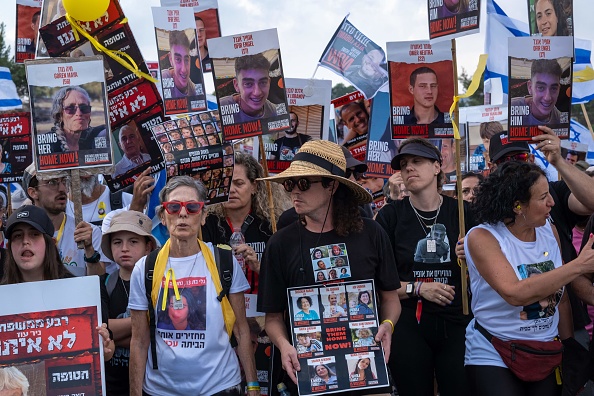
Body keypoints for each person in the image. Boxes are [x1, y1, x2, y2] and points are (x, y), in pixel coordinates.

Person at [258, 140, 401, 391]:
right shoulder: (280, 243)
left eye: (303, 183)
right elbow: (272, 317)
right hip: (308, 375)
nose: (294, 192)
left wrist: (387, 326)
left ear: (332, 185)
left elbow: (390, 298)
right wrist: (284, 345)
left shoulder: (372, 233)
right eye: (290, 184)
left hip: (366, 370)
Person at [463, 160, 594, 395]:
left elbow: (560, 297)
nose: (552, 202)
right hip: (495, 349)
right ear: (518, 206)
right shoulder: (483, 237)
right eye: (543, 197)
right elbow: (515, 292)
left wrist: (567, 345)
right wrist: (578, 266)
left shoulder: (548, 230)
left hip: (544, 351)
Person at [128, 176, 258, 395]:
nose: (183, 214)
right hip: (161, 389)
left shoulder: (224, 262)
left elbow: (241, 330)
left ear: (204, 215)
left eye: (192, 207)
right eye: (173, 207)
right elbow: (139, 341)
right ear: (162, 215)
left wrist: (253, 385)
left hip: (220, 386)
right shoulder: (144, 268)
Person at [487, 128, 594, 379]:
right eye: (505, 163)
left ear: (533, 160)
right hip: (506, 337)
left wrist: (557, 160)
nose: (514, 169)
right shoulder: (484, 212)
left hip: (563, 320)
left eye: (521, 160)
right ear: (493, 170)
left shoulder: (553, 193)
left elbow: (591, 201)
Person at [375, 137, 475, 396]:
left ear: (437, 167)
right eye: (404, 164)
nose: (409, 168)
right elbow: (377, 282)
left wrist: (475, 254)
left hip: (457, 320)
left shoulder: (463, 212)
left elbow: (492, 270)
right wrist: (418, 288)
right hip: (408, 321)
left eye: (417, 161)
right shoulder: (390, 216)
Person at [0, 205, 115, 361]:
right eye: (17, 236)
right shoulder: (3, 298)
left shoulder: (79, 291)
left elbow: (109, 347)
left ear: (50, 243)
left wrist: (104, 348)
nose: (25, 242)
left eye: (34, 234)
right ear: (9, 247)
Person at [202, 152, 291, 292]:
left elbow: (288, 278)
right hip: (223, 308)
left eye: (239, 183)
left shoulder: (272, 223)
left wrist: (259, 267)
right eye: (225, 183)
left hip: (263, 308)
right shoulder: (206, 223)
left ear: (254, 186)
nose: (231, 190)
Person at [100, 211, 156, 396]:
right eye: (117, 242)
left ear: (148, 247)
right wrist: (146, 322)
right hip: (112, 384)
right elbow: (101, 330)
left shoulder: (158, 283)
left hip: (151, 385)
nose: (124, 248)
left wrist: (117, 334)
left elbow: (162, 330)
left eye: (133, 241)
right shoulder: (104, 283)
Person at [23, 165, 108, 276]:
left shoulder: (87, 233)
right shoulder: (21, 236)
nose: (62, 189)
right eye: (52, 182)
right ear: (33, 192)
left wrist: (89, 250)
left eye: (64, 181)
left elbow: (99, 281)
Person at [219, 53, 278, 123]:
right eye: (248, 84)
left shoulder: (275, 112)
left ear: (269, 82)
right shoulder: (220, 108)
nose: (257, 92)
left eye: (263, 82)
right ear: (236, 85)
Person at [46, 86, 106, 153]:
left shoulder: (95, 137)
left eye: (84, 108)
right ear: (59, 115)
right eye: (70, 108)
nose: (79, 113)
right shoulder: (49, 144)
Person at [510, 59, 563, 125]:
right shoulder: (510, 109)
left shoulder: (560, 119)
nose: (547, 98)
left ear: (559, 89)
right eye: (541, 88)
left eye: (553, 88)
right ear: (530, 87)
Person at [161, 30, 199, 98]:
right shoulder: (162, 80)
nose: (184, 70)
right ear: (171, 59)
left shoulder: (193, 89)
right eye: (178, 59)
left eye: (186, 60)